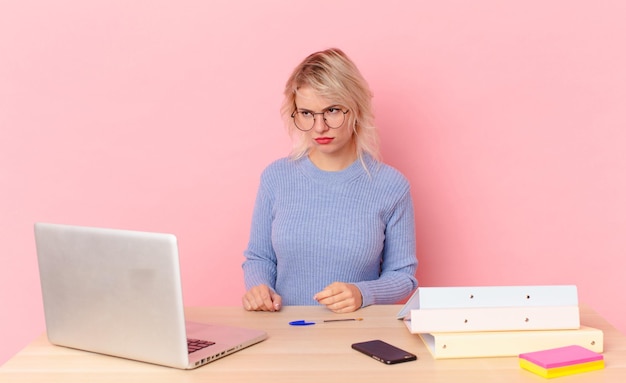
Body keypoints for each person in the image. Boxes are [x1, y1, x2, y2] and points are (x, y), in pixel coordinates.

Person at [242, 48, 417, 313]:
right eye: (306, 113)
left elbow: (404, 275)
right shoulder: (276, 178)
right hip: (284, 333)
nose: (319, 127)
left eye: (332, 110)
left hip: (356, 336)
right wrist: (259, 288)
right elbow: (259, 257)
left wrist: (362, 293)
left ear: (356, 109)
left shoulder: (391, 186)